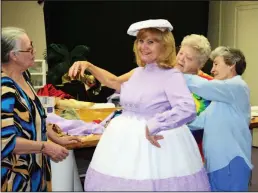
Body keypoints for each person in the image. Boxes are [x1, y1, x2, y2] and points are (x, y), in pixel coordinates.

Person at [69, 19, 210, 191]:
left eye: (151, 42)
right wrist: (89, 65)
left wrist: (156, 124)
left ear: (165, 45)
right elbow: (113, 81)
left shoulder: (171, 75)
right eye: (141, 41)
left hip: (157, 145)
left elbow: (187, 109)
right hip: (124, 142)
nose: (144, 46)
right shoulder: (137, 72)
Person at [1, 27, 81, 191]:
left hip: (35, 168)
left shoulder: (24, 76)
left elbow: (37, 116)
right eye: (29, 49)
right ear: (13, 55)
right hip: (15, 174)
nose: (34, 51)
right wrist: (46, 146)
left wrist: (58, 139)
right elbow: (6, 142)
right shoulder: (5, 88)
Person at [184, 46, 253, 191]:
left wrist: (176, 74)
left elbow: (203, 86)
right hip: (216, 163)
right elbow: (199, 122)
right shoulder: (220, 98)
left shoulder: (237, 86)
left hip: (231, 162)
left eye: (216, 64)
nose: (212, 70)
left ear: (231, 65)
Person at [175, 34, 213, 160]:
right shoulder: (164, 76)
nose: (181, 59)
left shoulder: (209, 86)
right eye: (180, 53)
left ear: (200, 64)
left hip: (194, 151)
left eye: (189, 58)